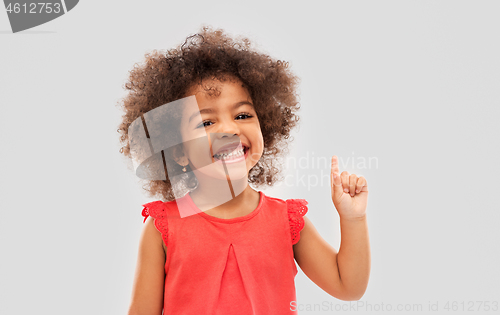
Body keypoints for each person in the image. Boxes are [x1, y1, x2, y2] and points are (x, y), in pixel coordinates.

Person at [118, 26, 370, 315]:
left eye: (242, 115)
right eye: (206, 122)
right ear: (178, 151)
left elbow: (348, 287)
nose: (229, 128)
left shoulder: (286, 221)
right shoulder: (164, 227)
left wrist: (353, 218)